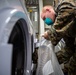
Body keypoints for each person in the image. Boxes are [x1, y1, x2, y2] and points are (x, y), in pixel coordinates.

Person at [41, 0, 76, 75]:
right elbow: (70, 48)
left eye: (44, 18)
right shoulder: (65, 26)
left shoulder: (62, 5)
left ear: (48, 10)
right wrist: (50, 60)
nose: (45, 21)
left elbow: (70, 10)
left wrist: (50, 34)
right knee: (70, 68)